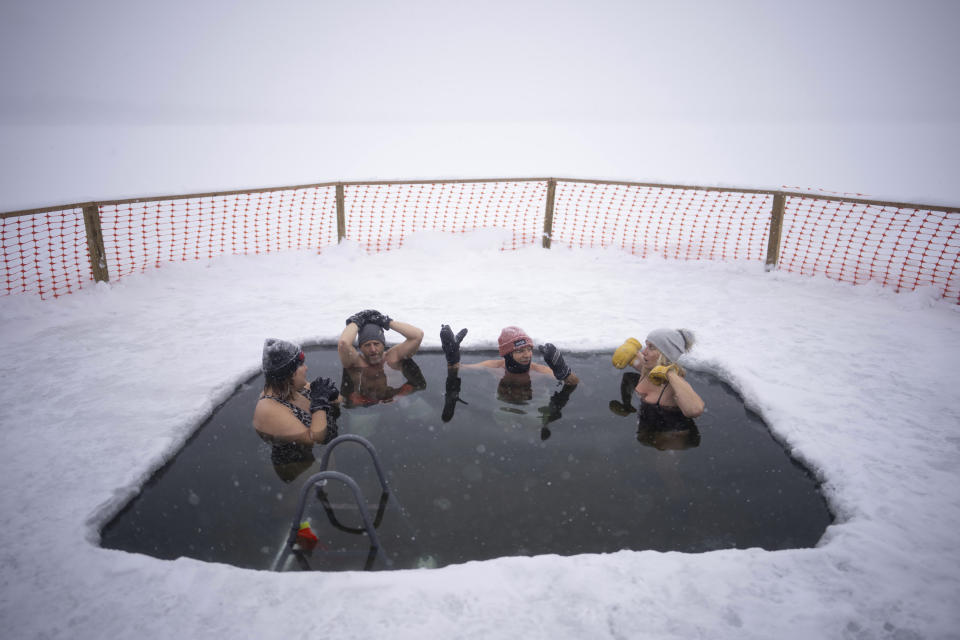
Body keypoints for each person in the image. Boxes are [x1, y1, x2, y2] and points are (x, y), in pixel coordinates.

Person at [439, 324, 579, 437]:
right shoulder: (494, 367)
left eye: (529, 349)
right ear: (507, 354)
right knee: (505, 432)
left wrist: (564, 372)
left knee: (533, 427)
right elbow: (458, 369)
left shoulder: (538, 371)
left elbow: (575, 384)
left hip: (535, 403)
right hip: (504, 402)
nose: (527, 355)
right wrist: (452, 359)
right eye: (520, 351)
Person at [252, 339, 341, 479]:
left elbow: (338, 401)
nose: (306, 368)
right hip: (297, 467)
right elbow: (314, 438)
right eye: (301, 365)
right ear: (288, 374)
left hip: (317, 457)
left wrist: (331, 394)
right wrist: (319, 403)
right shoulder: (268, 409)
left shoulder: (295, 388)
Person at [611, 327, 705, 442]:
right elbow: (634, 357)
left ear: (665, 355)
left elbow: (695, 410)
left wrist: (669, 374)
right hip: (646, 431)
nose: (644, 352)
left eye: (651, 347)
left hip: (670, 436)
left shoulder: (674, 385)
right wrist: (629, 347)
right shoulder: (647, 369)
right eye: (646, 345)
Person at [338, 309, 425, 407]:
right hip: (367, 407)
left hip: (401, 399)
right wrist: (356, 322)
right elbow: (343, 344)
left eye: (376, 344)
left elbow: (417, 335)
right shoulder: (356, 363)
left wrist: (387, 322)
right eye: (367, 345)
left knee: (429, 416)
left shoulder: (393, 357)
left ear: (383, 344)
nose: (373, 349)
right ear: (360, 348)